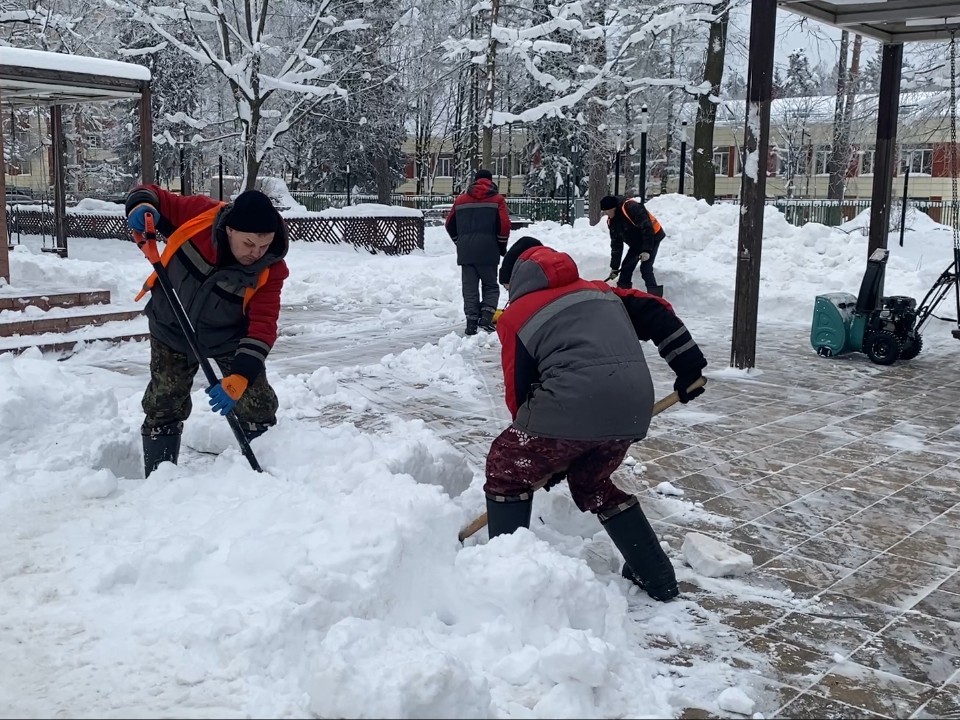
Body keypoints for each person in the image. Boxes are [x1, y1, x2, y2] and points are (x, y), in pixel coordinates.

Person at [485, 236, 707, 602]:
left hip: (571, 407)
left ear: (517, 278)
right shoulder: (602, 292)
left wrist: (542, 453)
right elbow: (656, 312)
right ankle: (656, 576)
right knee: (591, 481)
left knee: (505, 468)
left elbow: (519, 393)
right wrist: (688, 367)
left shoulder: (516, 317)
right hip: (632, 406)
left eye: (507, 285)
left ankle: (504, 577)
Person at [124, 185, 289, 477]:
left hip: (227, 336)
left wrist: (239, 376)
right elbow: (151, 195)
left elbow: (263, 325)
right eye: (249, 244)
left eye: (264, 245)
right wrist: (141, 208)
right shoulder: (198, 217)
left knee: (257, 405)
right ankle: (159, 480)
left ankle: (264, 475)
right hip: (171, 325)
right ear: (229, 230)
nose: (257, 253)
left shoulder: (270, 268)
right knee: (164, 402)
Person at [445, 168, 511, 335]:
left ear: (475, 181)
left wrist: (459, 242)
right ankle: (486, 317)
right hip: (489, 250)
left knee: (470, 287)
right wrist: (501, 245)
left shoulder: (460, 200)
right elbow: (504, 225)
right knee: (490, 285)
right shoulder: (497, 199)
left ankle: (471, 323)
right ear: (490, 180)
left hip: (466, 252)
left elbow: (449, 224)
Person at [599, 195, 666, 296]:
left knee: (646, 268)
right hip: (637, 243)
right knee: (626, 268)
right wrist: (615, 267)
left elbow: (647, 228)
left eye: (607, 211)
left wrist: (646, 250)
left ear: (614, 208)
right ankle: (624, 296)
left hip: (653, 236)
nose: (606, 214)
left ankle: (656, 298)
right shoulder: (611, 222)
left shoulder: (631, 207)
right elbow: (616, 245)